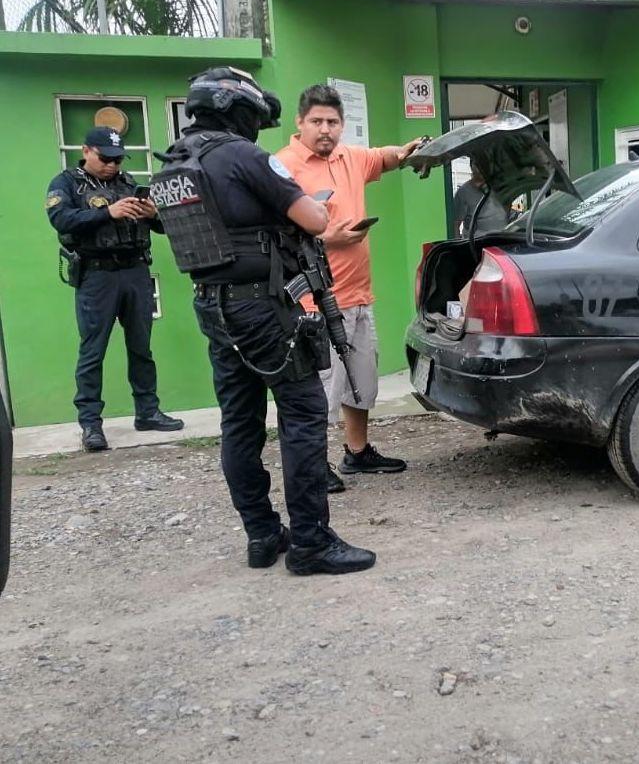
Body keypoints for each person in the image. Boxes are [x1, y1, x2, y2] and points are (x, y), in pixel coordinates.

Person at [154, 66, 375, 575]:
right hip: (261, 307)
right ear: (240, 110)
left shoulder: (175, 162)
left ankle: (261, 535)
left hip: (213, 306)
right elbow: (315, 220)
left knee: (240, 422)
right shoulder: (242, 155)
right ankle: (311, 544)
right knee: (301, 412)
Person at [276, 84, 425, 493]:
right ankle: (312, 464)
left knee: (362, 380)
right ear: (299, 123)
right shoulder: (281, 167)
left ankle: (357, 453)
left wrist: (410, 149)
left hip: (359, 295)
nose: (326, 130)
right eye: (317, 122)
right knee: (319, 388)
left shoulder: (349, 158)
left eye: (333, 122)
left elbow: (385, 157)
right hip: (312, 300)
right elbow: (275, 238)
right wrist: (328, 240)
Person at [46, 126, 184, 451]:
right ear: (86, 151)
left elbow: (166, 226)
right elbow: (61, 219)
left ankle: (148, 411)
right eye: (105, 158)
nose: (112, 165)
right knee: (93, 351)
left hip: (136, 271)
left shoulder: (128, 183)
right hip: (97, 276)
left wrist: (154, 214)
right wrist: (106, 212)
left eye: (117, 159)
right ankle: (91, 424)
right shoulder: (66, 182)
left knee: (141, 347)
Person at [453, 165, 508, 237]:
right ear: (472, 167)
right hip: (477, 242)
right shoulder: (463, 192)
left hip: (501, 239)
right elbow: (456, 223)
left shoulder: (499, 187)